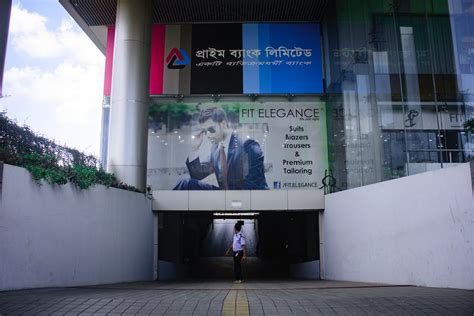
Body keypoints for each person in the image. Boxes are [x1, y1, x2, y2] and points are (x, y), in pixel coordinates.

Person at [173, 107, 268, 190]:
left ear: (223, 124)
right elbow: (198, 177)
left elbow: (254, 187)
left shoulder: (247, 145)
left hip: (244, 200)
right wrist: (194, 149)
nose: (208, 135)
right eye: (205, 131)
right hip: (224, 198)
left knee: (186, 184)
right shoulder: (215, 148)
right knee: (186, 184)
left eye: (211, 129)